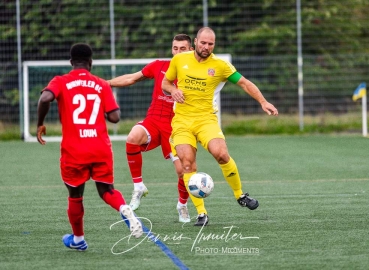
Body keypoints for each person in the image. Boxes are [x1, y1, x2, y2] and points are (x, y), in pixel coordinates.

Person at [162, 27, 279, 226]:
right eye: (203, 43)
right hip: (182, 121)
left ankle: (240, 195)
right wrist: (173, 90)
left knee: (222, 154)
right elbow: (165, 82)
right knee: (187, 164)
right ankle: (201, 213)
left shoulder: (220, 65)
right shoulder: (180, 60)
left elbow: (244, 83)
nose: (206, 47)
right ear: (196, 42)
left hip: (206, 120)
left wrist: (263, 101)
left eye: (211, 44)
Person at [36, 43, 143, 251]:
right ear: (90, 62)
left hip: (74, 150)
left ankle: (78, 239)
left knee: (75, 195)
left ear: (71, 62)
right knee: (106, 190)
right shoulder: (101, 84)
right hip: (100, 147)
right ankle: (124, 208)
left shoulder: (61, 81)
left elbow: (45, 98)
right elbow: (115, 117)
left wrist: (40, 123)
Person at [107, 34, 194, 223]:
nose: (178, 52)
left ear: (191, 50)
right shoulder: (159, 66)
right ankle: (138, 186)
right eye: (175, 48)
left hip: (177, 126)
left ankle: (182, 205)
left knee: (183, 171)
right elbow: (131, 78)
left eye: (183, 48)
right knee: (132, 138)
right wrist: (106, 83)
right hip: (154, 120)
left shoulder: (195, 74)